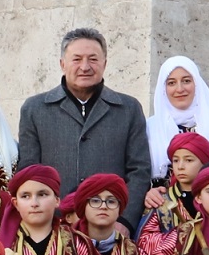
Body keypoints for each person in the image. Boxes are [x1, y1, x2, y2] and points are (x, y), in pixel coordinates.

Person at [14, 27, 151, 221]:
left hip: (109, 225)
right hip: (54, 224)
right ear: (62, 64)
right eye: (76, 59)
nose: (85, 67)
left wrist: (125, 221)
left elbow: (139, 171)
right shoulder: (35, 109)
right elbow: (29, 172)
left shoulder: (128, 109)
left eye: (93, 59)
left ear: (105, 63)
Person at [144, 55, 209, 205]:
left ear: (197, 83)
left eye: (186, 81)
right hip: (165, 210)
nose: (180, 89)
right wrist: (147, 193)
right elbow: (138, 173)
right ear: (163, 88)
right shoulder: (150, 128)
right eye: (171, 83)